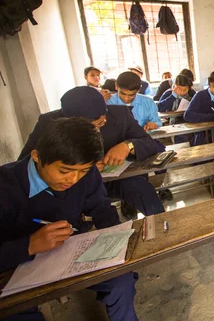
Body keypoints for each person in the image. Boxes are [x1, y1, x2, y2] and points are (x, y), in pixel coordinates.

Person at [3, 118, 139, 321]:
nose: (73, 180)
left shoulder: (84, 170)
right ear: (37, 156)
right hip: (15, 267)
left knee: (121, 280)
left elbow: (100, 207)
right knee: (15, 309)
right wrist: (29, 246)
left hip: (70, 253)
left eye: (82, 171)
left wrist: (118, 243)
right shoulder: (5, 186)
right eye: (64, 171)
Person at [18, 86, 166, 220]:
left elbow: (150, 143)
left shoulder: (120, 114)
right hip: (72, 184)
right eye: (90, 127)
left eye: (101, 124)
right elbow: (24, 161)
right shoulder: (49, 122)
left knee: (140, 187)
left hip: (113, 179)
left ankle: (162, 224)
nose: (96, 131)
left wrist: (127, 145)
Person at [157, 74, 195, 143]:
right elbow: (159, 108)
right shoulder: (168, 93)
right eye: (180, 89)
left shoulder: (191, 93)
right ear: (175, 86)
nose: (182, 92)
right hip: (174, 123)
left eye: (185, 90)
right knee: (182, 137)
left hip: (189, 121)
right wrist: (173, 96)